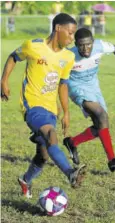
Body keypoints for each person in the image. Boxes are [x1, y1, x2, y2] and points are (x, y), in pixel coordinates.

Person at [1, 13, 86, 198]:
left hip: (51, 109)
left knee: (44, 155)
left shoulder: (68, 57)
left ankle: (25, 180)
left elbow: (63, 84)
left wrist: (66, 112)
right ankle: (70, 173)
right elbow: (13, 57)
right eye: (70, 33)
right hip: (32, 106)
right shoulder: (33, 46)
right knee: (51, 135)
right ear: (58, 28)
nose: (72, 38)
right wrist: (4, 81)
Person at [63, 28, 115, 172]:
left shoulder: (100, 45)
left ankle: (72, 142)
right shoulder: (69, 56)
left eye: (88, 44)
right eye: (81, 45)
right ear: (76, 44)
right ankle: (112, 160)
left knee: (101, 125)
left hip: (93, 86)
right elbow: (59, 79)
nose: (85, 48)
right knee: (101, 115)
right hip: (76, 87)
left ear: (93, 42)